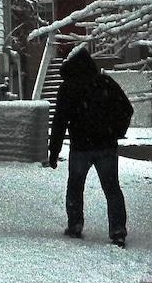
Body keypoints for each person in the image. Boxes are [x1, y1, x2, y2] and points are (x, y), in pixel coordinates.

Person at [47, 47, 133, 247]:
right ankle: (118, 230)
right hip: (106, 146)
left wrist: (54, 151)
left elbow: (59, 121)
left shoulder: (68, 88)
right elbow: (126, 109)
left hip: (80, 147)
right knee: (112, 188)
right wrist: (116, 131)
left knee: (75, 187)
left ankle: (75, 224)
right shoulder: (105, 83)